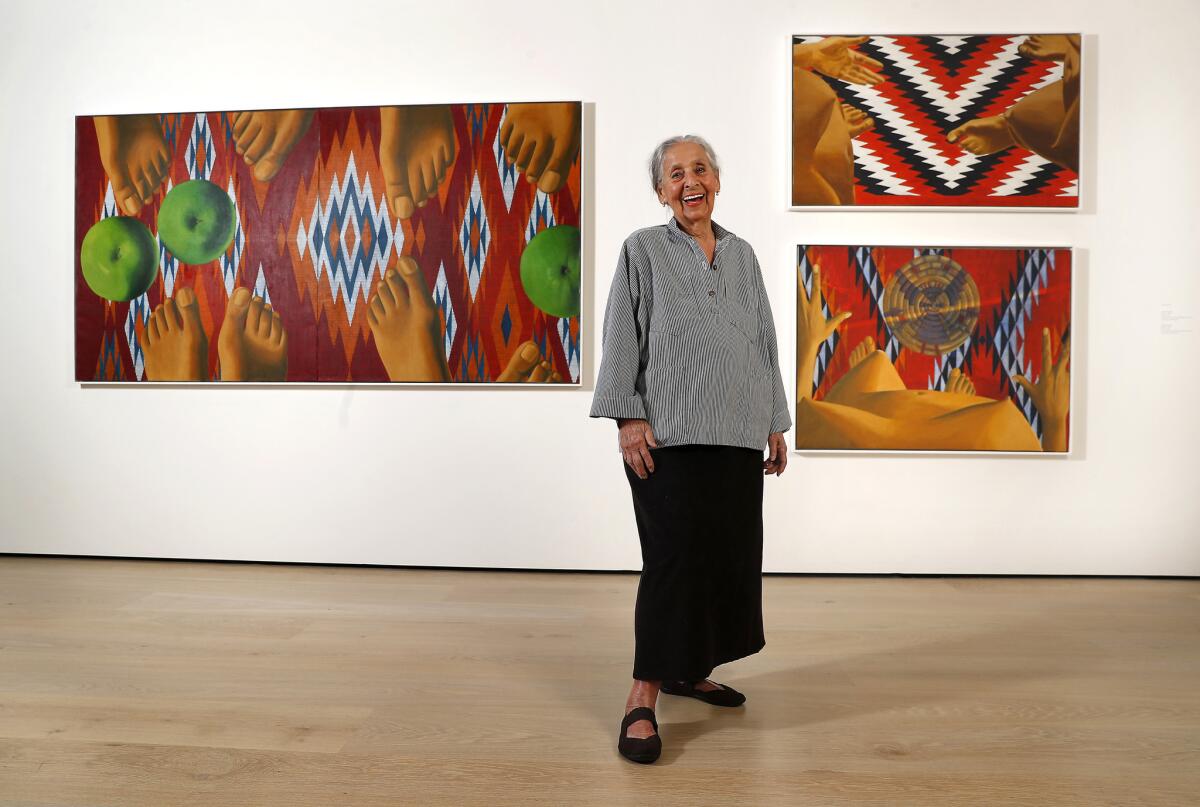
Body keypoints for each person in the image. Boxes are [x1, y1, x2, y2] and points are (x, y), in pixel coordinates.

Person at [589, 135, 792, 763]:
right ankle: (642, 695)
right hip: (668, 435)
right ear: (661, 191)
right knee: (673, 562)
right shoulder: (642, 251)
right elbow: (622, 333)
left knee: (723, 559)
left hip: (735, 432)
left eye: (699, 168)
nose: (689, 181)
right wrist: (628, 416)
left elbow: (763, 338)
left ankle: (689, 669)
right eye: (676, 173)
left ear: (717, 180)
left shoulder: (743, 255)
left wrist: (774, 420)